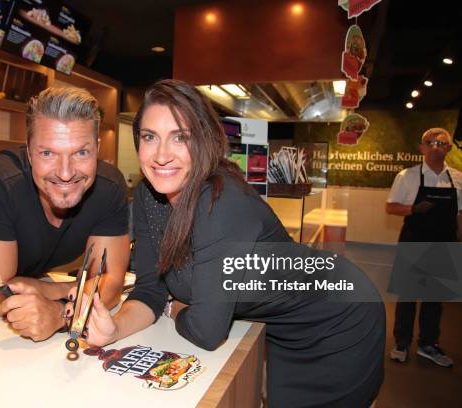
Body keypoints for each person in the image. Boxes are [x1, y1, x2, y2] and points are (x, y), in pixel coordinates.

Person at [82, 79, 385, 407]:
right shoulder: (147, 196)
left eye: (180, 137)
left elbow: (206, 331)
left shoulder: (220, 200)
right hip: (285, 325)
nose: (161, 155)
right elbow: (149, 291)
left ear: (204, 141)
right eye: (149, 137)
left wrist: (173, 306)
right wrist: (114, 330)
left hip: (339, 318)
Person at [0, 86, 130, 341]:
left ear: (97, 149)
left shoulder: (110, 188)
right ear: (29, 152)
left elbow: (111, 284)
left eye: (81, 152)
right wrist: (69, 288)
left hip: (36, 282)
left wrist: (57, 311)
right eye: (47, 153)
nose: (66, 173)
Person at [386, 128, 461, 367]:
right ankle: (402, 341)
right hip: (414, 239)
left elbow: (460, 214)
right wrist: (414, 209)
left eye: (441, 142)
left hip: (445, 241)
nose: (435, 146)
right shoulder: (407, 176)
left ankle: (428, 344)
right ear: (422, 148)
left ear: (449, 148)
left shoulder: (458, 178)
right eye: (430, 142)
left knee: (435, 297)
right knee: (408, 294)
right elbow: (391, 207)